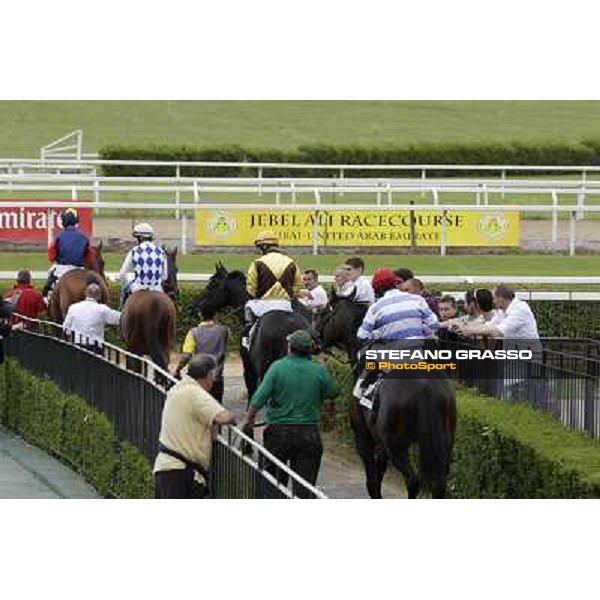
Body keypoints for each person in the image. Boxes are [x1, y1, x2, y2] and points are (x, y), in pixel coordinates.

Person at [244, 330, 339, 497]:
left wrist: (248, 420)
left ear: (289, 347)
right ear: (309, 349)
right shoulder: (318, 370)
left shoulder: (277, 367)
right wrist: (325, 371)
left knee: (272, 484)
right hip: (309, 435)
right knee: (304, 488)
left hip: (278, 434)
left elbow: (258, 399)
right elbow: (333, 392)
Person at [154, 354, 237, 499]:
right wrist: (233, 417)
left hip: (167, 468)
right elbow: (221, 417)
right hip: (181, 473)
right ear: (209, 374)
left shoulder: (177, 388)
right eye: (213, 374)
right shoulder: (196, 394)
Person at [355, 268, 439, 400]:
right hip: (418, 356)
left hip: (391, 358)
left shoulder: (375, 307)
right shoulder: (417, 300)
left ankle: (365, 394)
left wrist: (378, 334)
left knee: (360, 384)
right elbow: (434, 324)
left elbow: (362, 336)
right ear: (395, 283)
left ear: (376, 289)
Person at [244, 230, 302, 347]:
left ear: (265, 246)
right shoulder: (291, 262)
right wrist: (289, 296)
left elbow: (251, 288)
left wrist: (258, 296)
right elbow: (297, 286)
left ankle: (247, 338)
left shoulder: (257, 263)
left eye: (260, 247)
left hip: (262, 306)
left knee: (248, 306)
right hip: (285, 305)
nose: (260, 250)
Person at [175, 305, 229, 402]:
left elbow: (187, 356)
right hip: (216, 378)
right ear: (215, 315)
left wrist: (178, 369)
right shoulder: (224, 330)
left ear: (200, 315)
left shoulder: (193, 332)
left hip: (198, 380)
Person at [116, 222, 168, 308]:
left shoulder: (134, 251)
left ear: (140, 238)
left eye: (136, 238)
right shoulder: (161, 252)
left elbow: (122, 274)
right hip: (157, 289)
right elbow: (164, 276)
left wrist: (126, 285)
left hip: (138, 287)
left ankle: (121, 310)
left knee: (125, 288)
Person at [43, 209, 91, 299]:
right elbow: (89, 257)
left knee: (50, 275)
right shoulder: (84, 237)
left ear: (64, 222)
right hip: (79, 270)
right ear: (76, 222)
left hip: (62, 270)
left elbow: (51, 257)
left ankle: (45, 298)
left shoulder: (59, 237)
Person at [62, 283, 121, 352]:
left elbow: (66, 328)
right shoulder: (102, 309)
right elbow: (118, 319)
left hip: (76, 346)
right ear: (99, 296)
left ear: (85, 293)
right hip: (95, 348)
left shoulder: (73, 307)